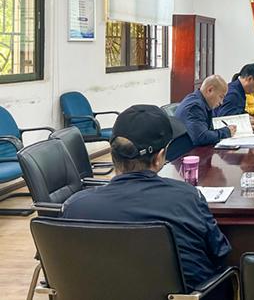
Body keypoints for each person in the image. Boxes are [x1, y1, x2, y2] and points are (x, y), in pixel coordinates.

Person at [63, 105, 232, 293]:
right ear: (159, 157)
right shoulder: (187, 198)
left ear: (112, 154)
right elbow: (220, 254)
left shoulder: (75, 207)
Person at [175, 75, 236, 146]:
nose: (221, 102)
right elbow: (201, 137)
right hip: (186, 151)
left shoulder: (201, 102)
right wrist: (226, 132)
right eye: (221, 97)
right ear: (210, 90)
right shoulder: (195, 107)